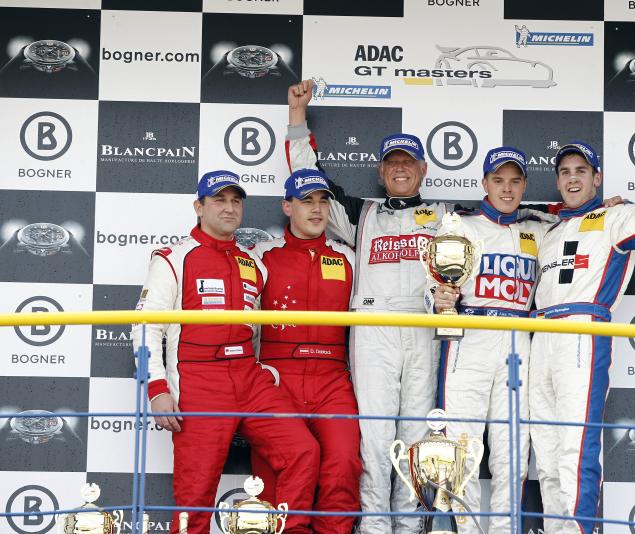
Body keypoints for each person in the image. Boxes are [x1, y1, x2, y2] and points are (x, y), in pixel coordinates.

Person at [284, 79, 451, 533]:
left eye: (408, 162)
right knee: (375, 435)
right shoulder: (362, 213)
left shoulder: (446, 214)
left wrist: (579, 210)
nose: (400, 169)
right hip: (373, 327)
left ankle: (410, 526)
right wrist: (297, 117)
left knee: (417, 433)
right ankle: (374, 526)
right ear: (381, 171)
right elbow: (310, 177)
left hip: (424, 327)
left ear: (423, 168)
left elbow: (506, 214)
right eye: (392, 162)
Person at [131, 170, 320, 534]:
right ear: (199, 206)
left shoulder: (253, 262)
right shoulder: (174, 258)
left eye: (236, 201)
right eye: (219, 200)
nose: (229, 208)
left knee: (303, 451)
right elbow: (144, 327)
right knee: (195, 496)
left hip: (249, 378)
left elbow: (258, 327)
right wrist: (156, 388)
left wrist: (262, 368)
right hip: (200, 380)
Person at [528, 131, 635, 534]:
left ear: (597, 178)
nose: (572, 178)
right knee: (546, 454)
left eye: (581, 171)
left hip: (582, 329)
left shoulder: (615, 218)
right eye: (565, 172)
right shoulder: (548, 228)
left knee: (576, 446)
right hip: (539, 333)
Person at [429, 147, 554, 533]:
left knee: (512, 455)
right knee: (463, 450)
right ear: (484, 183)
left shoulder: (539, 228)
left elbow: (577, 217)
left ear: (525, 185)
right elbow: (433, 287)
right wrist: (439, 299)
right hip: (470, 337)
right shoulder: (460, 225)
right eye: (498, 180)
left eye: (515, 181)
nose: (507, 188)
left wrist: (610, 205)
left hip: (518, 342)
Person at [249, 168, 361, 534]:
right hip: (278, 378)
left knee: (343, 465)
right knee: (273, 475)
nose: (316, 209)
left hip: (333, 379)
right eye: (306, 201)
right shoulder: (261, 255)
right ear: (287, 207)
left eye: (323, 202)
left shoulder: (348, 257)